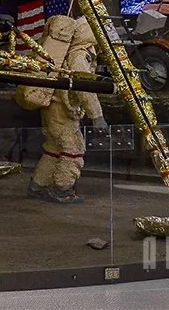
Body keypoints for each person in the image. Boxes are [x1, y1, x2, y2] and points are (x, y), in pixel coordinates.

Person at [28, 15, 106, 203]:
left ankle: (38, 184)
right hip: (62, 110)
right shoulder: (80, 55)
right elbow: (84, 87)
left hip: (53, 106)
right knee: (74, 148)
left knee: (54, 147)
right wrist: (97, 115)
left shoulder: (69, 51)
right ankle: (62, 188)